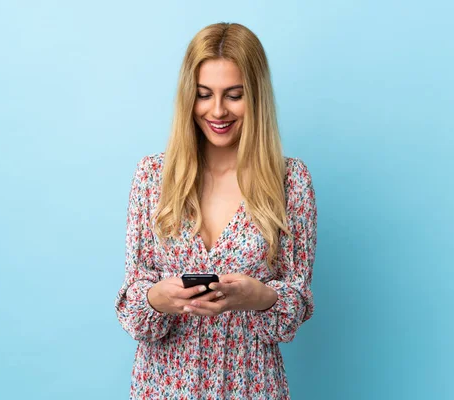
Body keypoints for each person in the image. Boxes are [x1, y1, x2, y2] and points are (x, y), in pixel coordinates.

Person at [115, 22, 317, 400]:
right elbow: (132, 304)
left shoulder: (290, 182)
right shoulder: (152, 177)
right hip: (163, 388)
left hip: (251, 386)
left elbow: (295, 309)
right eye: (204, 94)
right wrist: (160, 298)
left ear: (256, 96)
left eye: (234, 95)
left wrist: (257, 297)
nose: (218, 110)